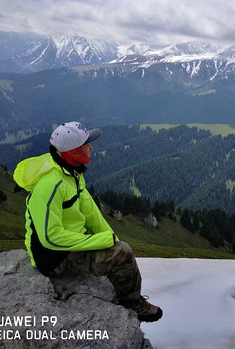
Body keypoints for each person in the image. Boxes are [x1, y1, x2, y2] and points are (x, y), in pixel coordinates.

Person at [13, 121, 163, 322]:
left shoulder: (71, 173)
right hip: (54, 258)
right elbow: (50, 237)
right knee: (123, 252)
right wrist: (104, 243)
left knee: (118, 246)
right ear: (74, 152)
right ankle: (132, 302)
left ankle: (118, 284)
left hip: (67, 245)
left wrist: (111, 238)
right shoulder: (51, 185)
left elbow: (91, 212)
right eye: (87, 144)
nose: (91, 147)